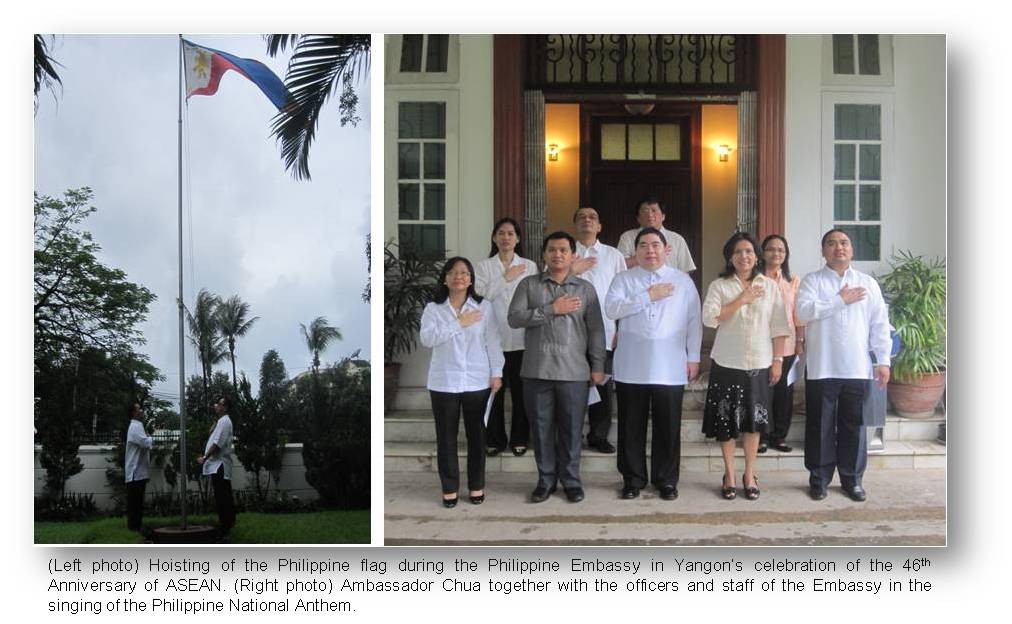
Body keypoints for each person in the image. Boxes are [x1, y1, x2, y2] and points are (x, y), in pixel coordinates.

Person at [508, 231, 606, 503]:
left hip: (574, 372)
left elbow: (596, 330)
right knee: (540, 430)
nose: (558, 254)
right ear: (544, 254)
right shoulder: (529, 285)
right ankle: (545, 480)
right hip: (537, 370)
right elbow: (514, 318)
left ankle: (572, 481)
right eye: (552, 249)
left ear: (573, 255)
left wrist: (597, 365)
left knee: (572, 429)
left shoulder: (585, 289)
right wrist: (551, 309)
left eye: (564, 250)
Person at [606, 227, 702, 500]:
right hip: (631, 366)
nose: (650, 250)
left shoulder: (682, 281)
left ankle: (666, 480)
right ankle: (632, 479)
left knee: (668, 427)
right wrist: (648, 295)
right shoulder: (623, 279)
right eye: (643, 245)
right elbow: (612, 309)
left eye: (655, 245)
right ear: (635, 251)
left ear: (666, 249)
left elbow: (694, 322)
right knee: (630, 426)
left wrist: (693, 357)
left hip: (670, 366)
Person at [797, 229, 891, 502]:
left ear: (851, 249)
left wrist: (883, 361)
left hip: (857, 368)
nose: (839, 247)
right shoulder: (812, 282)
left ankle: (852, 480)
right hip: (821, 366)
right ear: (823, 250)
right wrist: (840, 300)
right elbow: (802, 312)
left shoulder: (867, 283)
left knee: (854, 426)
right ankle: (819, 479)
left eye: (844, 243)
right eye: (831, 243)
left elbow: (879, 324)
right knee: (819, 426)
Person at [702, 232, 790, 501]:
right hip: (727, 363)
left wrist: (778, 361)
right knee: (726, 422)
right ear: (730, 257)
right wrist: (742, 298)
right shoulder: (720, 286)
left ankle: (749, 474)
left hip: (760, 364)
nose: (744, 256)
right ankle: (729, 474)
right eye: (738, 252)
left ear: (756, 256)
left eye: (749, 251)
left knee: (754, 424)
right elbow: (710, 319)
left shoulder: (770, 285)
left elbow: (779, 326)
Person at [420, 257, 504, 507]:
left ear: (471, 279)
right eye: (454, 272)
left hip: (476, 380)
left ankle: (476, 486)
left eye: (465, 273)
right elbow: (427, 339)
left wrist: (496, 372)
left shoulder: (484, 307)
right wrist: (458, 323)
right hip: (444, 382)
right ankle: (449, 488)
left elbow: (493, 341)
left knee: (477, 437)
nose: (459, 277)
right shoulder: (433, 309)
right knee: (446, 438)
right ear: (445, 278)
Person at [474, 217, 538, 457]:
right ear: (494, 237)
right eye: (501, 233)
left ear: (518, 238)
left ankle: (520, 438)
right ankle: (495, 439)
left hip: (522, 338)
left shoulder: (530, 266)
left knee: (522, 392)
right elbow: (480, 298)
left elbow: (535, 300)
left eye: (511, 233)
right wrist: (506, 278)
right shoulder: (483, 267)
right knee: (494, 391)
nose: (506, 237)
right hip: (493, 338)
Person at [570, 206, 627, 454]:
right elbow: (547, 286)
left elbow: (625, 293)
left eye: (592, 217)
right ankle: (571, 434)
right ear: (575, 225)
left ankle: (598, 434)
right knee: (570, 384)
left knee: (601, 383)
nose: (587, 220)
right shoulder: (564, 252)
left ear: (600, 226)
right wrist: (572, 270)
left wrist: (621, 327)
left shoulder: (613, 255)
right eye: (581, 217)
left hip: (604, 329)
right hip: (569, 331)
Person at [758, 234, 806, 454]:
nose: (776, 253)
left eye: (781, 250)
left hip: (786, 345)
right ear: (763, 252)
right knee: (761, 393)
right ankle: (761, 437)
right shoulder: (754, 278)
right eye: (771, 249)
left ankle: (779, 436)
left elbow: (798, 313)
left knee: (784, 393)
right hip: (759, 344)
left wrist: (800, 340)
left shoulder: (792, 280)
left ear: (785, 255)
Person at [616, 196, 696, 273]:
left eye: (654, 210)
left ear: (663, 216)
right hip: (636, 285)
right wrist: (643, 257)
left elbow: (685, 270)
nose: (650, 215)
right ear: (638, 218)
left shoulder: (677, 239)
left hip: (669, 285)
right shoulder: (627, 237)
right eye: (644, 211)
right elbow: (619, 266)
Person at [197, 396, 235, 537]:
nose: (216, 405)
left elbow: (217, 444)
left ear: (224, 408)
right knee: (223, 496)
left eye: (219, 403)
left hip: (220, 465)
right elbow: (214, 438)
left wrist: (204, 457)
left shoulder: (225, 422)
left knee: (222, 498)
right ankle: (228, 525)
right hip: (217, 465)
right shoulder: (221, 422)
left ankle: (226, 528)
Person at [124, 401, 153, 532]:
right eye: (138, 409)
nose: (141, 411)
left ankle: (137, 527)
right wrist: (153, 437)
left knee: (138, 502)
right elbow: (145, 442)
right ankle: (134, 528)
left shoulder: (138, 425)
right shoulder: (135, 427)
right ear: (133, 413)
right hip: (135, 472)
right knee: (135, 503)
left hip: (139, 471)